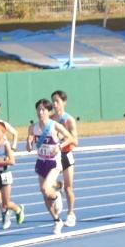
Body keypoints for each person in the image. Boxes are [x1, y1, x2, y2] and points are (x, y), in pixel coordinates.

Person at [26, 99, 76, 235]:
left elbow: (71, 138)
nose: (40, 112)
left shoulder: (54, 126)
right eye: (38, 110)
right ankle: (57, 220)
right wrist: (29, 143)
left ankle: (57, 196)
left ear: (48, 112)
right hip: (41, 162)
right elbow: (28, 147)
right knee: (45, 194)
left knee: (45, 188)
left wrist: (59, 146)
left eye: (43, 110)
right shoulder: (33, 128)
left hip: (54, 163)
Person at [51, 90, 79, 227]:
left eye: (57, 101)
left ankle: (70, 213)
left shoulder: (69, 120)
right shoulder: (50, 119)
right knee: (49, 184)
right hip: (53, 156)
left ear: (64, 103)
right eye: (53, 101)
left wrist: (62, 140)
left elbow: (75, 140)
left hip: (66, 155)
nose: (55, 104)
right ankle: (58, 187)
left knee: (69, 188)